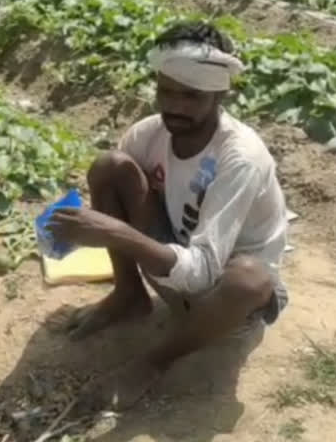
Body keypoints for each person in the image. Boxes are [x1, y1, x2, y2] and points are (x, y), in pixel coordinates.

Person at [48, 21, 288, 409]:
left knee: (249, 277)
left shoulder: (239, 157)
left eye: (191, 96)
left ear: (220, 93)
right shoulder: (149, 134)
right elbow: (120, 191)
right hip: (174, 260)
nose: (174, 106)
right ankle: (128, 296)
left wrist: (116, 233)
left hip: (223, 304)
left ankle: (153, 363)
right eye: (166, 92)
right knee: (110, 166)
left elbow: (206, 270)